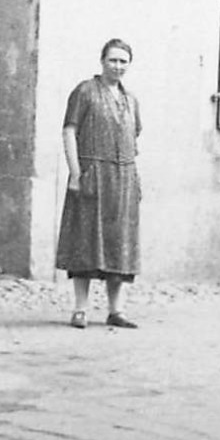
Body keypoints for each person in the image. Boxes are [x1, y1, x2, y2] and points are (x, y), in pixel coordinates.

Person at [57, 39, 143, 329]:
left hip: (123, 180)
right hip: (93, 174)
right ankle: (80, 309)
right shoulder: (85, 92)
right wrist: (75, 172)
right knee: (85, 241)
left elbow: (134, 139)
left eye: (123, 61)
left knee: (120, 243)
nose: (118, 66)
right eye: (113, 60)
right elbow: (69, 131)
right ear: (102, 61)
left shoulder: (130, 100)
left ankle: (116, 310)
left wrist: (134, 177)